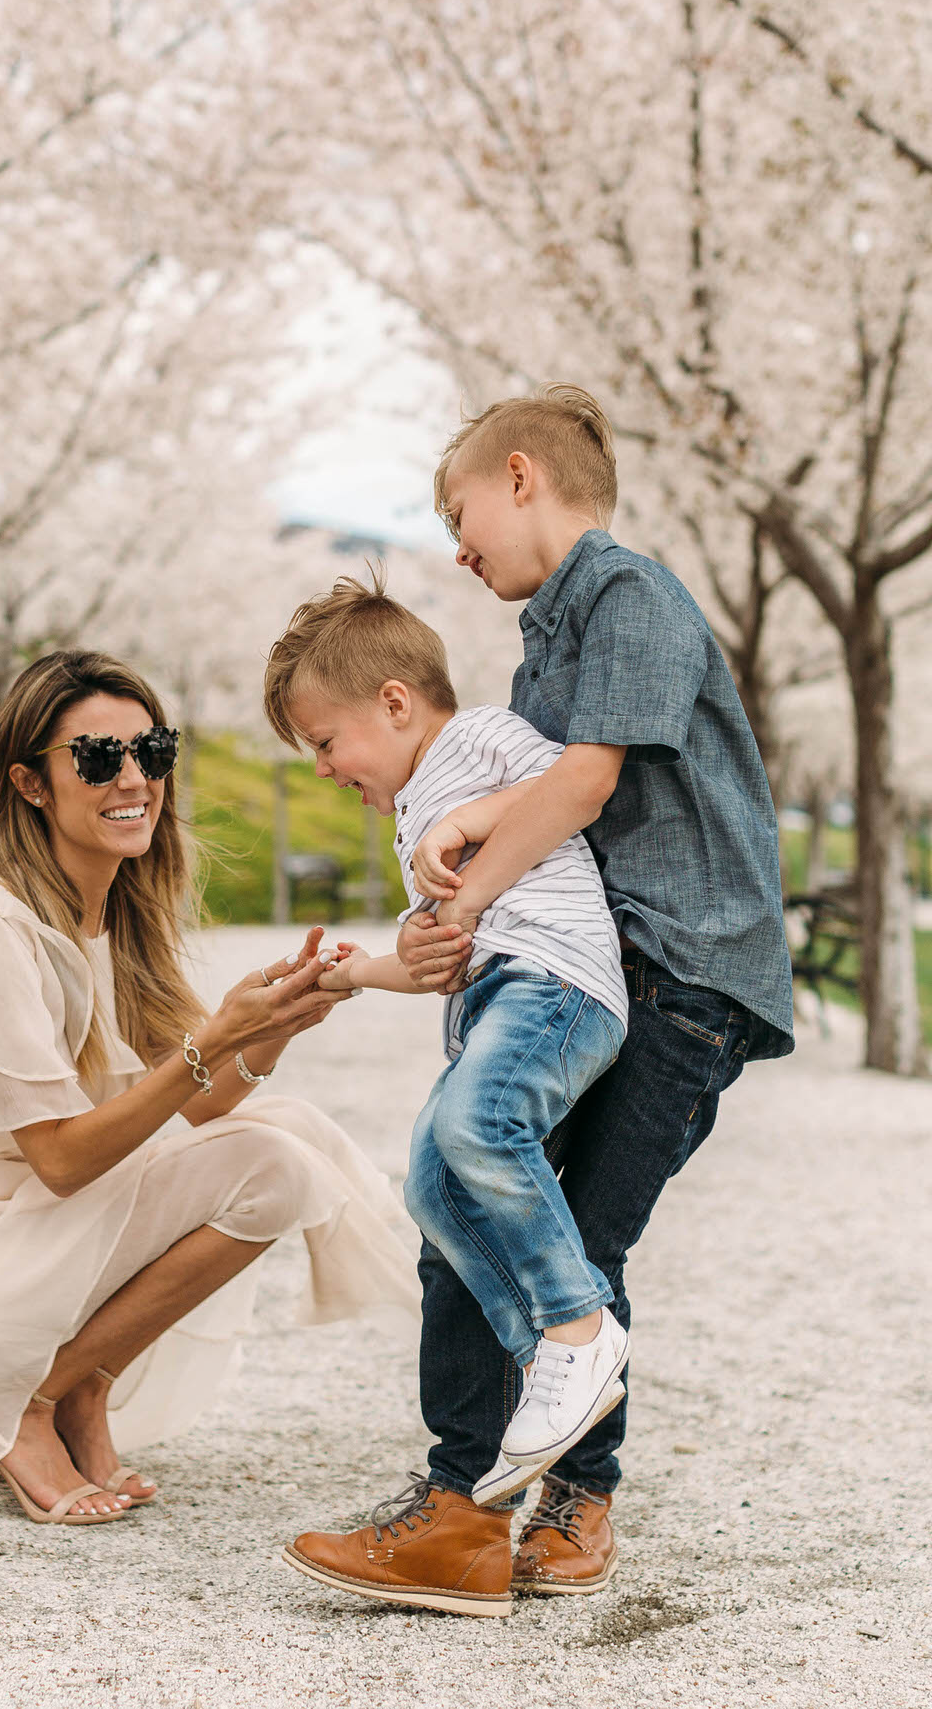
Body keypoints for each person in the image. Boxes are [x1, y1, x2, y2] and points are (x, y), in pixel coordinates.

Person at [278, 384, 794, 1615]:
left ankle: (563, 1494)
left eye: (458, 514)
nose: (457, 548)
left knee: (579, 1236)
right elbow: (545, 793)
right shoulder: (544, 643)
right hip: (609, 951)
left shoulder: (627, 594)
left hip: (685, 968)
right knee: (468, 1202)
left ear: (519, 477)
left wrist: (464, 882)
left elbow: (581, 784)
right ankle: (460, 1513)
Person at [0, 648, 420, 1525]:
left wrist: (272, 1028)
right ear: (30, 784)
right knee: (272, 1159)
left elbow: (197, 1105)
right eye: (96, 757)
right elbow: (60, 1162)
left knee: (283, 1134)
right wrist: (214, 1037)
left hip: (48, 1232)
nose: (134, 779)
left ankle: (82, 1385)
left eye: (152, 751)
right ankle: (27, 1403)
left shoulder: (117, 913)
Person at [258, 575, 629, 1616]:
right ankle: (545, 1360)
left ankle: (576, 1330)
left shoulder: (475, 739)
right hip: (499, 995)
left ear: (393, 702)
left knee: (476, 1124)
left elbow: (577, 780)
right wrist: (350, 973)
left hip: (556, 982)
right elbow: (437, 956)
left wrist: (472, 813)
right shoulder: (414, 810)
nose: (321, 766)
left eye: (324, 741)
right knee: (431, 1180)